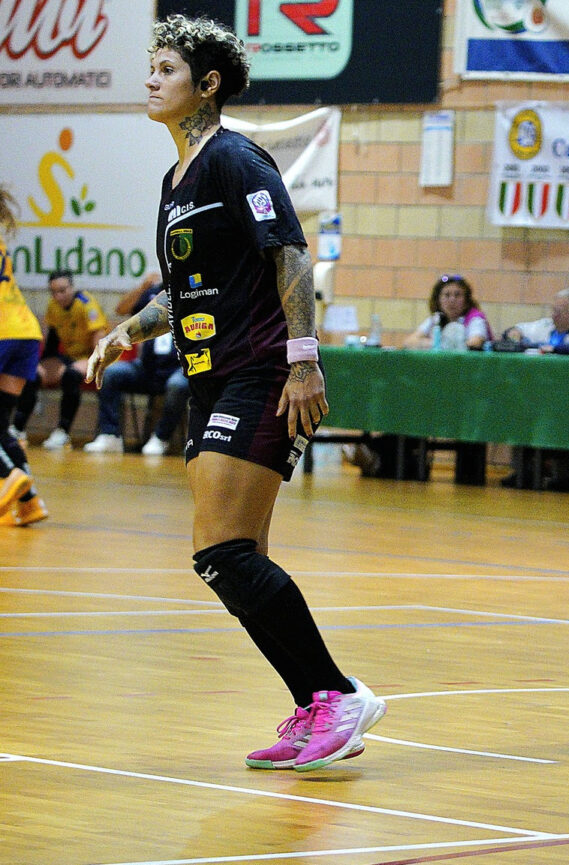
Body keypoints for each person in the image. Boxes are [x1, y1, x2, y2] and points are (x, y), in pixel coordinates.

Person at [86, 14, 385, 772]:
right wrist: (126, 332)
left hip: (260, 373)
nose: (151, 79)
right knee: (232, 557)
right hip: (209, 377)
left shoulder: (234, 158)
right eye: (151, 67)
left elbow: (289, 253)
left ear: (207, 83)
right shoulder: (175, 181)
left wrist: (304, 360)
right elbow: (184, 292)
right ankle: (318, 703)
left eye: (167, 69)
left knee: (220, 549)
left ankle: (337, 693)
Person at [82, 272, 191, 454]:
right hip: (147, 367)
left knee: (177, 385)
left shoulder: (190, 291)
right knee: (111, 373)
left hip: (178, 368)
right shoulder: (153, 293)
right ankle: (110, 435)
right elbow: (121, 309)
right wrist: (142, 287)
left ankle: (161, 437)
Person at [11, 269, 107, 450]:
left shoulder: (87, 305)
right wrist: (44, 365)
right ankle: (17, 429)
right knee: (32, 374)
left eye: (62, 291)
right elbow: (52, 342)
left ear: (72, 287)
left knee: (70, 376)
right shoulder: (53, 306)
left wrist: (93, 364)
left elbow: (100, 343)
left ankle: (63, 431)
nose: (58, 296)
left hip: (91, 356)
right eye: (54, 292)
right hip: (68, 357)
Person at [0, 183, 49, 526]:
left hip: (3, 332)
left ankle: (8, 475)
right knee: (0, 424)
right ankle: (30, 502)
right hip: (26, 333)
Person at [402, 274, 491, 351]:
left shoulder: (475, 319)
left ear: (466, 301)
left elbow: (475, 343)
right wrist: (437, 344)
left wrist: (448, 345)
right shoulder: (435, 319)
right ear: (438, 301)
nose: (452, 300)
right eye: (447, 295)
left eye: (457, 295)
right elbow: (408, 342)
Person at [502, 288, 569, 353]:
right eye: (553, 310)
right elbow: (518, 329)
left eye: (559, 311)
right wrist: (514, 333)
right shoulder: (547, 324)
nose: (553, 315)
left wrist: (555, 349)